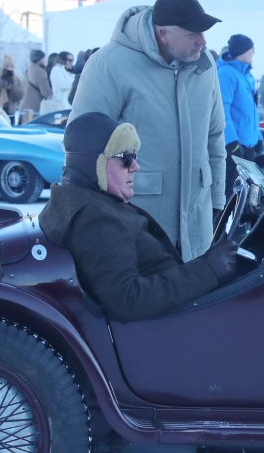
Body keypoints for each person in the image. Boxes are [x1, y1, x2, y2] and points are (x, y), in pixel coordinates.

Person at [71, 0, 227, 259]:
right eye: (192, 34)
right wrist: (91, 220)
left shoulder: (205, 67)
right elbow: (81, 148)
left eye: (203, 32)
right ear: (163, 33)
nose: (202, 41)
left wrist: (216, 202)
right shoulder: (109, 65)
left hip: (196, 228)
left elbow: (214, 138)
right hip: (135, 225)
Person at [37, 113, 239, 322]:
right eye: (126, 158)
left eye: (134, 156)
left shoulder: (79, 200)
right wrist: (208, 269)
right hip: (165, 329)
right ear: (95, 163)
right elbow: (127, 301)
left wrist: (206, 265)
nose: (135, 166)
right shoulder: (96, 220)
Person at [216, 33, 261, 190]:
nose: (254, 52)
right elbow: (222, 110)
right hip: (235, 147)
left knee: (248, 195)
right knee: (230, 193)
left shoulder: (246, 75)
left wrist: (258, 137)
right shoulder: (225, 74)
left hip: (248, 147)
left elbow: (252, 111)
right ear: (243, 51)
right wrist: (231, 142)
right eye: (251, 49)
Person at [0, 54, 25, 118]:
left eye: (12, 67)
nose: (10, 69)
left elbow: (20, 96)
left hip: (10, 111)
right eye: (7, 67)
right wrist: (1, 79)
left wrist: (13, 83)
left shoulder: (17, 79)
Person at [24, 49, 51, 123]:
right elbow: (46, 92)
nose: (45, 60)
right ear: (40, 59)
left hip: (25, 105)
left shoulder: (29, 69)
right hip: (34, 106)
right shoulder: (40, 72)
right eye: (44, 58)